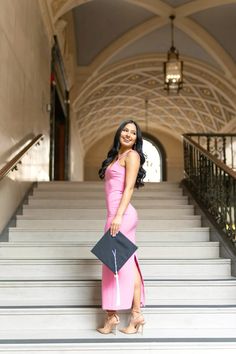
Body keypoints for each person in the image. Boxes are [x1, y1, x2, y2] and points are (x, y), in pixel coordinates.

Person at [97, 119, 146, 335]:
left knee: (116, 265)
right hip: (115, 214)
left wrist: (118, 216)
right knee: (122, 264)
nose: (127, 134)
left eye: (133, 133)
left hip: (121, 215)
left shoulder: (132, 156)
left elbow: (128, 189)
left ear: (137, 139)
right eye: (125, 130)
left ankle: (113, 317)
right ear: (119, 133)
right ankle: (134, 316)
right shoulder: (117, 157)